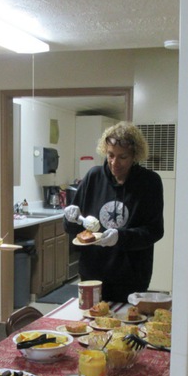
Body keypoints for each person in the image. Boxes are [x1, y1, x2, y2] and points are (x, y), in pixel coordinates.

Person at [63, 121, 164, 302]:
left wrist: (121, 237)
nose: (114, 163)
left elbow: (155, 231)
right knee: (91, 317)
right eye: (110, 155)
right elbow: (72, 229)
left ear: (135, 155)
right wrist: (72, 218)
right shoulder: (93, 177)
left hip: (132, 277)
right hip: (92, 275)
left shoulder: (149, 183)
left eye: (122, 157)